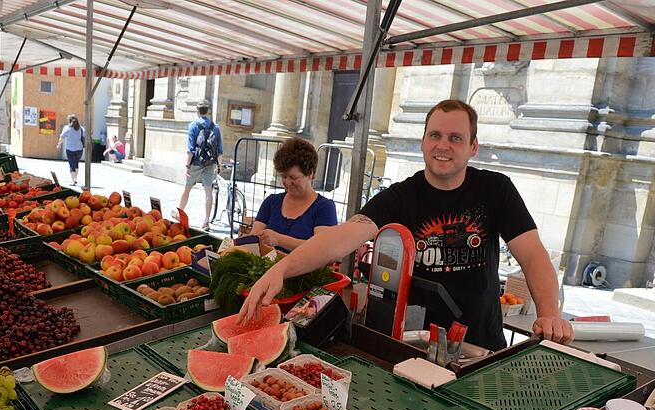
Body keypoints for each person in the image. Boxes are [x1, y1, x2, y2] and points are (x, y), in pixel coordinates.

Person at [238, 99, 573, 350]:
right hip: (411, 345)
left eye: (455, 138)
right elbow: (342, 237)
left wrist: (549, 313)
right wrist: (281, 270)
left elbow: (531, 253)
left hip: (480, 345)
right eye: (435, 135)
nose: (443, 145)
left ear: (473, 147)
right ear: (423, 142)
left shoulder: (496, 189)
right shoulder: (401, 196)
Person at [251, 137, 337, 253]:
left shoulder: (324, 207)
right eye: (283, 176)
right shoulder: (271, 202)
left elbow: (320, 248)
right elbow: (254, 239)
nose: (287, 182)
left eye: (293, 177)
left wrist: (279, 239)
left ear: (310, 174)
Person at [175, 99, 222, 230]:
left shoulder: (193, 126)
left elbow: (190, 149)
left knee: (187, 189)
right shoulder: (215, 127)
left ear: (197, 111)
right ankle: (206, 221)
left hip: (195, 163)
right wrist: (219, 166)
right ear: (208, 111)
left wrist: (187, 166)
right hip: (210, 163)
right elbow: (220, 150)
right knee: (208, 192)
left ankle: (180, 215)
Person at [57, 114, 86, 185]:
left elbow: (62, 137)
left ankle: (74, 181)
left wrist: (59, 144)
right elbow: (85, 136)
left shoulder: (67, 128)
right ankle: (75, 178)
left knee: (72, 165)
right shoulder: (81, 129)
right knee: (76, 163)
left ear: (69, 121)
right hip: (79, 149)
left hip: (70, 149)